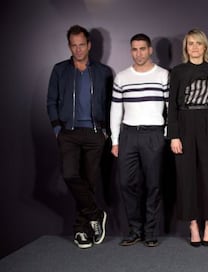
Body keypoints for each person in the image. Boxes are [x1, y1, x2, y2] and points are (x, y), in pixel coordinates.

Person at [47, 25, 113, 249]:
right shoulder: (60, 70)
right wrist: (58, 128)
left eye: (82, 45)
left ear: (89, 45)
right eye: (73, 45)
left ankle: (80, 231)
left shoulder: (103, 72)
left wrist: (106, 132)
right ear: (69, 46)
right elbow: (51, 101)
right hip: (69, 133)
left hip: (95, 133)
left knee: (90, 182)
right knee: (70, 175)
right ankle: (96, 214)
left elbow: (109, 103)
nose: (78, 49)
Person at [168, 29, 208, 247]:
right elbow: (172, 104)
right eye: (190, 43)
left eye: (198, 43)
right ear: (186, 47)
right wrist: (173, 135)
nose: (194, 47)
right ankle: (193, 224)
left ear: (205, 47)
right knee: (186, 177)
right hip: (184, 122)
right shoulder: (177, 71)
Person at [110, 34, 169, 247]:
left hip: (154, 134)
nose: (139, 53)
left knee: (153, 185)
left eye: (142, 49)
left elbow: (171, 108)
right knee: (126, 183)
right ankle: (135, 230)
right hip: (128, 134)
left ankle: (150, 231)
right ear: (130, 51)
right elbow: (115, 110)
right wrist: (115, 141)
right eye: (134, 49)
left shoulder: (163, 75)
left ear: (150, 50)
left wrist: (166, 134)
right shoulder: (122, 77)